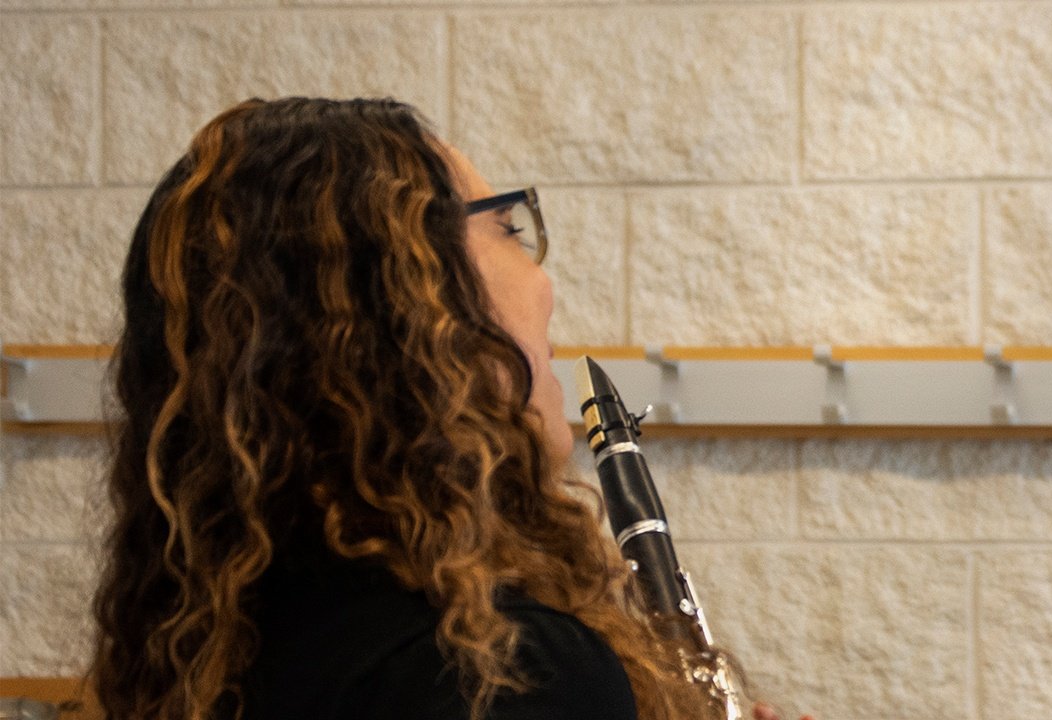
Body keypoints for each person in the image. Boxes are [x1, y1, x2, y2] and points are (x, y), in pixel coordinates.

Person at [89, 97, 802, 720]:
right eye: (509, 230)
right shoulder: (510, 675)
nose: (544, 284)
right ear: (413, 311)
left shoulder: (213, 634)